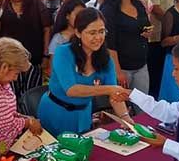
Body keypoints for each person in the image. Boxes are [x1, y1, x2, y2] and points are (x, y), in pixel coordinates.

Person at [37, 8, 133, 136]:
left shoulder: (106, 59)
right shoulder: (63, 52)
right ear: (78, 32)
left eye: (101, 31)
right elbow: (71, 90)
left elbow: (114, 95)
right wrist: (109, 89)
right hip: (55, 112)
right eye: (92, 33)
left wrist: (125, 117)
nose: (98, 37)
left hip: (83, 114)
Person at [0, 0, 53, 100]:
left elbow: (47, 30)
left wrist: (45, 56)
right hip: (9, 63)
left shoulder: (37, 5)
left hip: (34, 61)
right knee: (11, 97)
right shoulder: (2, 5)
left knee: (31, 96)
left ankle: (30, 120)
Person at [101, 0, 151, 93]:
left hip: (141, 63)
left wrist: (148, 32)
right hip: (122, 66)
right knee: (123, 104)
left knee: (143, 103)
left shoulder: (138, 4)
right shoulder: (109, 10)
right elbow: (109, 43)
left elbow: (146, 25)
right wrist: (118, 71)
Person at [145, 0, 174, 99]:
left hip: (169, 33)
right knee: (155, 74)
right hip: (157, 36)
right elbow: (156, 9)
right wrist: (172, 21)